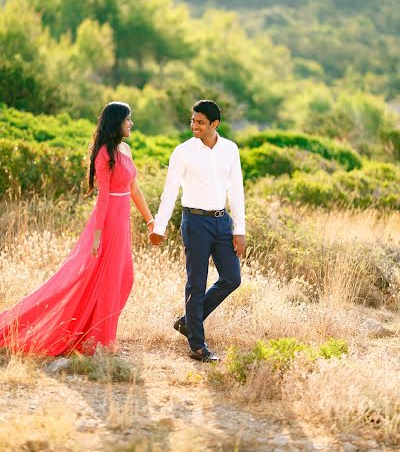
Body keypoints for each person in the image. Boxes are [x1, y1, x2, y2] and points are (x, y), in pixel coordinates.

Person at [0, 101, 155, 356]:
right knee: (104, 280)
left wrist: (150, 220)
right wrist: (97, 237)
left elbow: (135, 189)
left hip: (122, 220)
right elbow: (103, 196)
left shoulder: (125, 149)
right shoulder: (104, 153)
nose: (131, 124)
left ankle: (99, 334)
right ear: (117, 121)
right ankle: (99, 342)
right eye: (128, 119)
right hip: (108, 223)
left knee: (124, 277)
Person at [150, 100, 246, 362]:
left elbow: (236, 190)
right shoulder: (182, 152)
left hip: (221, 221)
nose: (194, 125)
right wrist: (159, 226)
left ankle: (188, 322)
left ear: (214, 124)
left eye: (201, 122)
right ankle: (197, 345)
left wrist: (240, 229)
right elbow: (169, 192)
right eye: (193, 120)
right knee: (196, 281)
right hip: (194, 222)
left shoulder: (230, 150)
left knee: (232, 278)